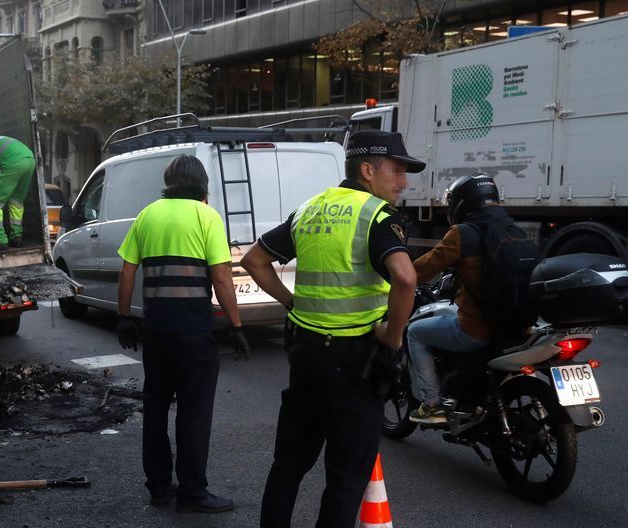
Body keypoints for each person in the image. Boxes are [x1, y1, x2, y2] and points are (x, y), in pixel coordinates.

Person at [240, 130, 420, 528]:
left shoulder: (311, 209)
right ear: (368, 170)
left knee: (288, 465)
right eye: (398, 170)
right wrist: (391, 337)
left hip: (306, 357)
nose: (403, 181)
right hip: (356, 362)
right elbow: (405, 279)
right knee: (345, 478)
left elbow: (254, 260)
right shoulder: (374, 215)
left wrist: (291, 303)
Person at [116, 155, 249, 513]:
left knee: (156, 408)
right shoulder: (207, 216)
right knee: (194, 412)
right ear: (202, 184)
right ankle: (192, 491)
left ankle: (159, 487)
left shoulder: (148, 214)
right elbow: (221, 277)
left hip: (156, 331)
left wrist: (125, 317)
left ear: (169, 180)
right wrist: (236, 326)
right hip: (193, 332)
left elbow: (127, 272)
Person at [406, 173, 508, 424]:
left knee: (415, 332)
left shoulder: (463, 233)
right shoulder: (511, 229)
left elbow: (422, 270)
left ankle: (431, 404)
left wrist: (396, 275)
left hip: (478, 331)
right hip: (515, 327)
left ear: (461, 203)